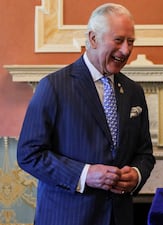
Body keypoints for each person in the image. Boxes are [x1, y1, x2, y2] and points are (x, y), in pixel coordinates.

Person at [17, 3, 155, 225]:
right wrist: (84, 174)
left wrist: (137, 175)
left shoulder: (133, 91)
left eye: (131, 42)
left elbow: (144, 153)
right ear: (93, 39)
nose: (126, 50)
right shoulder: (53, 87)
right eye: (119, 40)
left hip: (119, 217)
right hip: (68, 217)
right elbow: (29, 154)